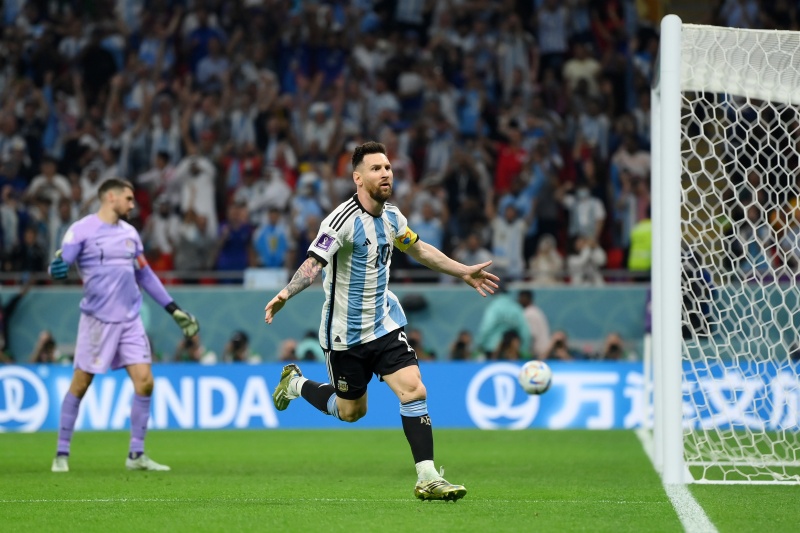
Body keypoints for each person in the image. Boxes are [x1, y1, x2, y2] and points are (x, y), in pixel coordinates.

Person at [264, 141, 499, 502]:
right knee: (351, 411)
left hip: (384, 325)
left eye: (387, 167)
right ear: (358, 178)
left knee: (414, 389)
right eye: (376, 168)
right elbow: (314, 263)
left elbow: (419, 249)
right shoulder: (340, 221)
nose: (385, 173)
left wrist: (462, 271)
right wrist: (285, 293)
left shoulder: (392, 217)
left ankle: (427, 477)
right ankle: (295, 384)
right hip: (345, 336)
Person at [47, 178, 200, 473]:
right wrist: (56, 269)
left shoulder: (130, 234)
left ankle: (136, 454)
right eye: (128, 199)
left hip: (130, 320)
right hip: (97, 321)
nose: (133, 204)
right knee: (81, 384)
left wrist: (173, 309)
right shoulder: (81, 230)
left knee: (145, 381)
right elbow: (62, 264)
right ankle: (61, 453)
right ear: (110, 197)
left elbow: (145, 275)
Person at [517, 290, 551, 359]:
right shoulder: (536, 310)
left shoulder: (529, 313)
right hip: (543, 350)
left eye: (520, 298)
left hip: (539, 353)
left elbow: (531, 335)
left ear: (526, 299)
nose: (518, 301)